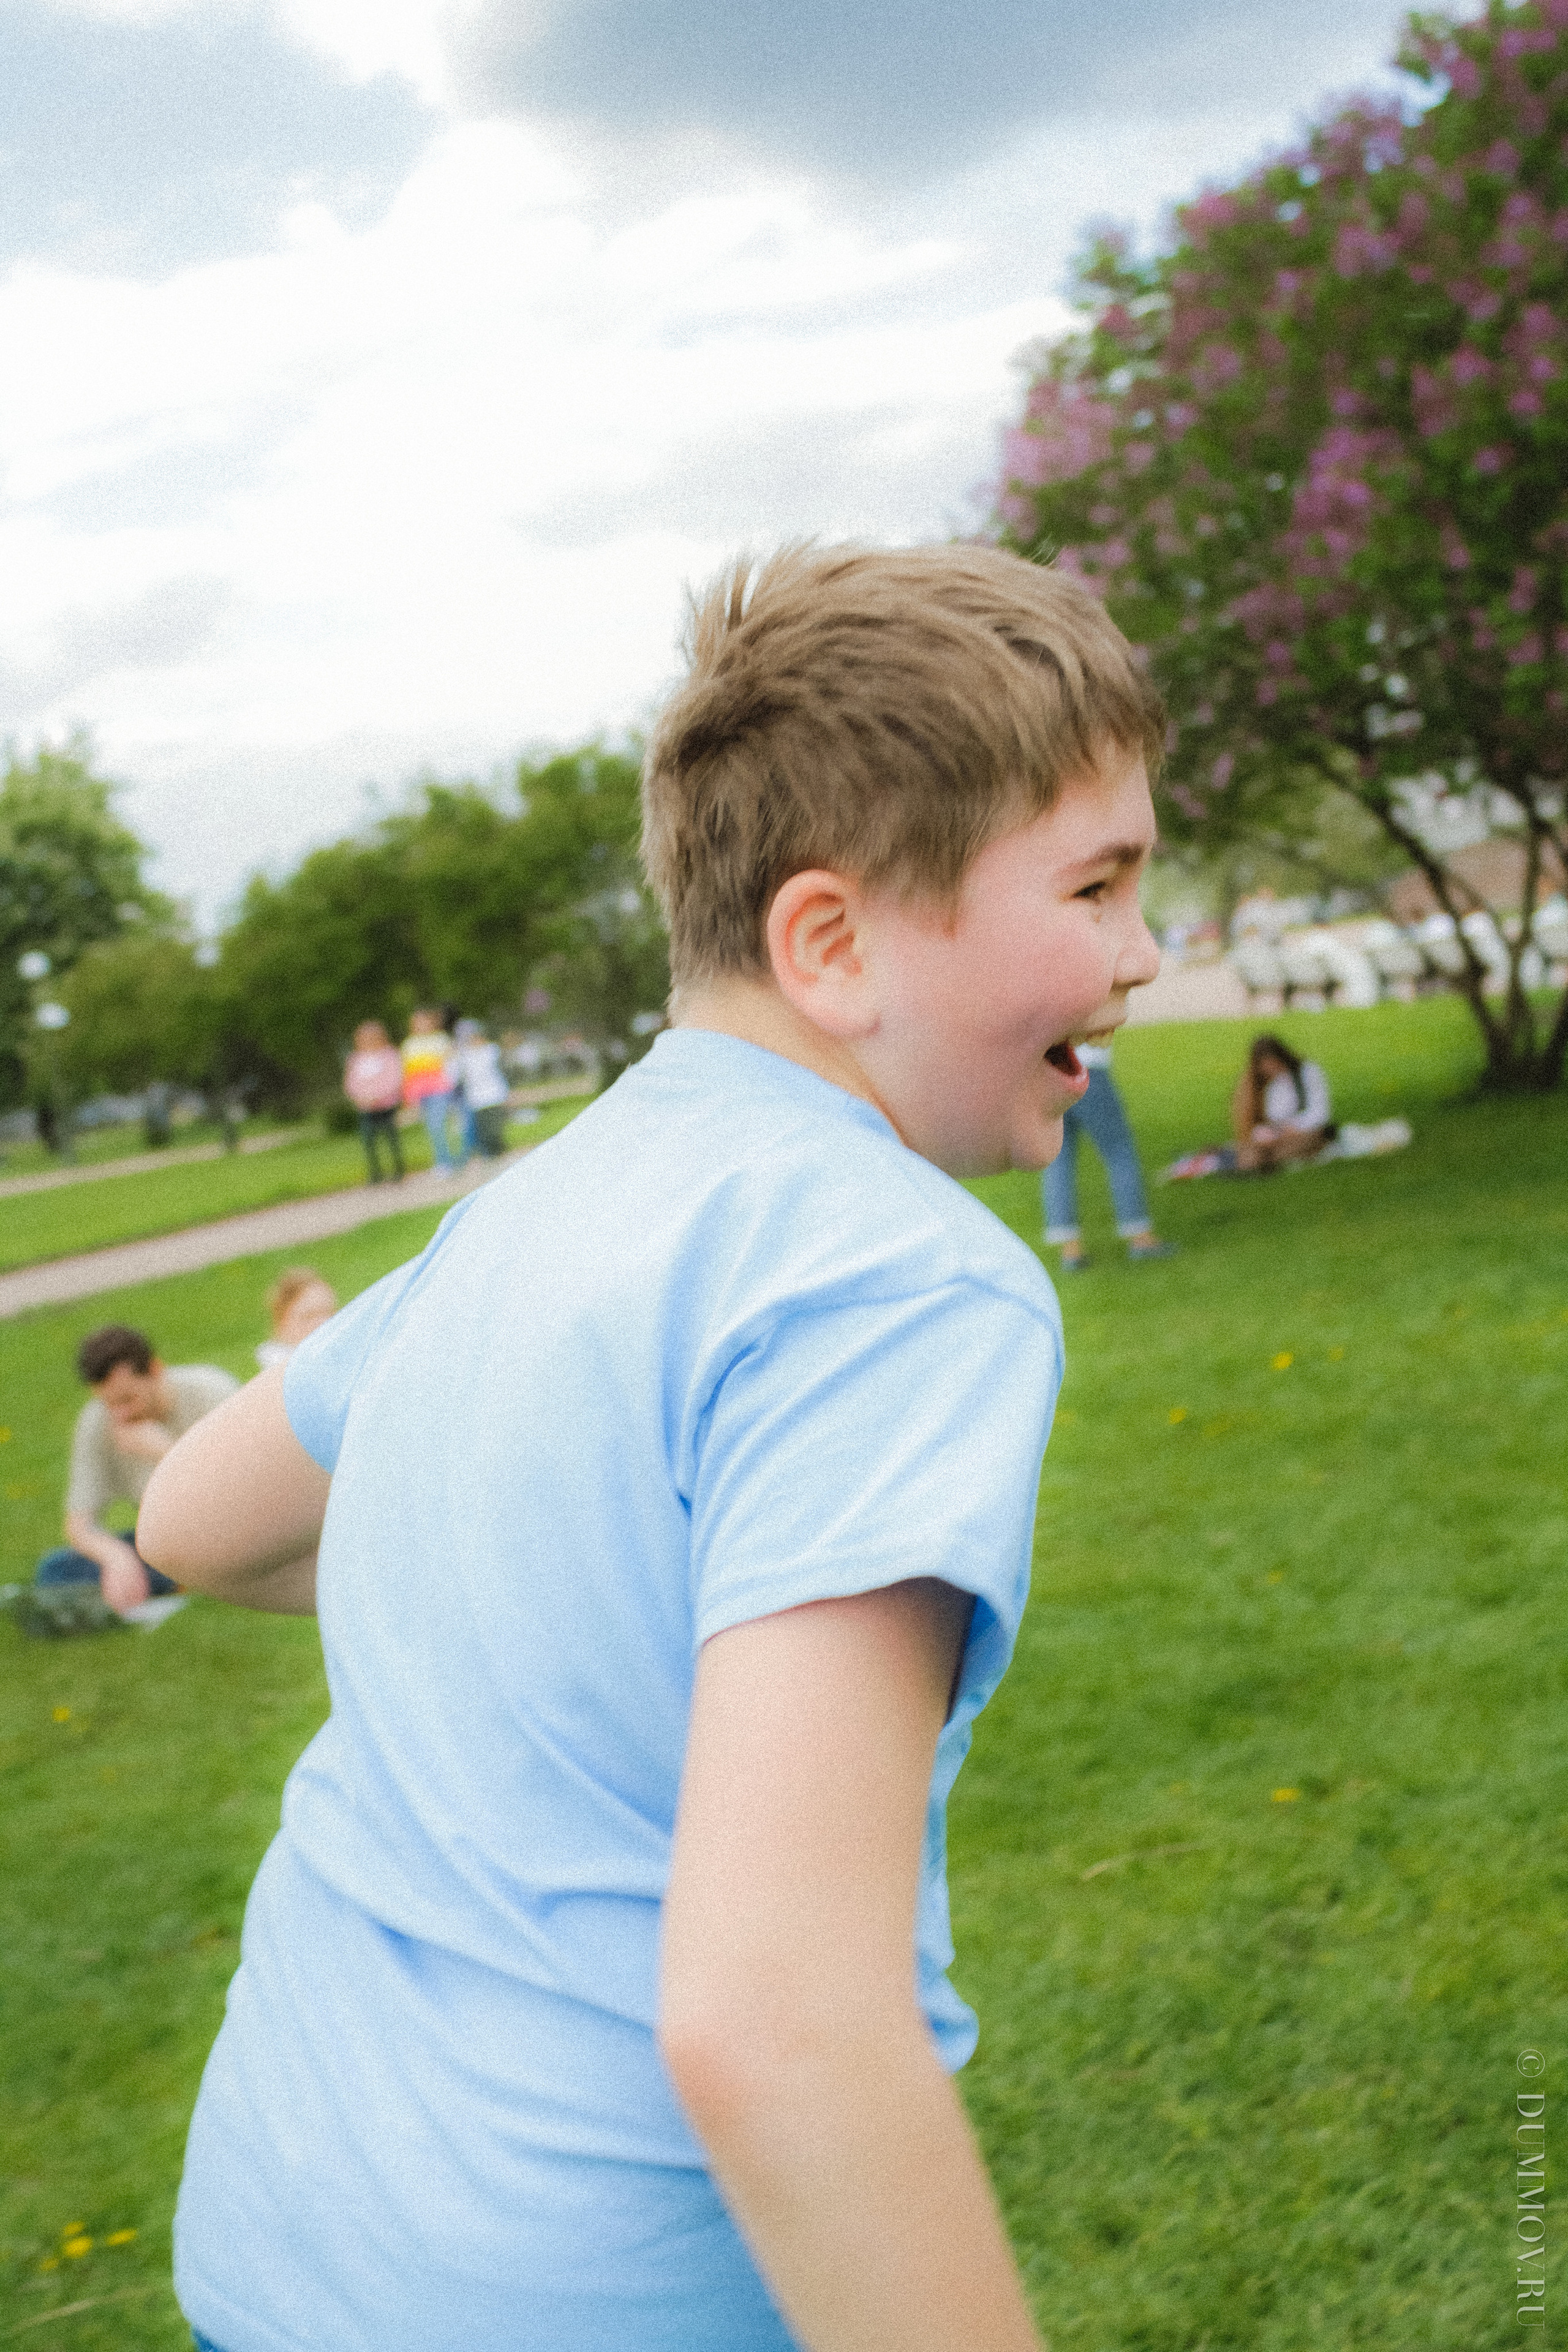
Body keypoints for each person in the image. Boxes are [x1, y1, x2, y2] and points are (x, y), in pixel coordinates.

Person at [140, 543, 1165, 2352]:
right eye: (1095, 882)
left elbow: (194, 1517)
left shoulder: (537, 1212)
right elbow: (778, 2015)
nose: (1142, 954)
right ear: (830, 941)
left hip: (279, 2241)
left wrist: (530, 1586)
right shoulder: (893, 1278)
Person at [36, 1327, 236, 1618]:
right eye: (109, 1403)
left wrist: (166, 1452)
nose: (120, 1414)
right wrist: (116, 1557)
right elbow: (79, 1524)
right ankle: (183, 1579)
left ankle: (194, 1577)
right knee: (54, 1571)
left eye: (128, 1399)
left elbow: (239, 1495)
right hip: (165, 1541)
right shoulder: (97, 1422)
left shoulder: (212, 1391)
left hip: (231, 1527)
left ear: (155, 1370)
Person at [1040, 1042, 1174, 1270]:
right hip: (1087, 1069)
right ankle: (1140, 1237)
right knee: (1119, 1150)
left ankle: (1071, 1251)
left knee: (1058, 1158)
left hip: (1048, 1074)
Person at [1231, 1033, 1334, 1172]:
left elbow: (1320, 1113)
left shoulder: (1308, 1072)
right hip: (1277, 1136)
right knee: (1254, 1148)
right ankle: (1256, 1162)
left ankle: (1263, 1162)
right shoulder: (1270, 1084)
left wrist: (1295, 1127)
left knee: (1285, 1150)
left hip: (1308, 1132)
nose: (1270, 1070)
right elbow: (1272, 1117)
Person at [401, 1008, 466, 1172]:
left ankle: (449, 1161)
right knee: (433, 1128)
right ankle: (445, 1160)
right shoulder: (409, 1045)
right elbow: (409, 1074)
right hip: (421, 1093)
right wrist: (410, 1096)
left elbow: (452, 1066)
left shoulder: (441, 1040)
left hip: (440, 1090)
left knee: (439, 1125)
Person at [343, 1020, 406, 1184]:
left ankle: (398, 1170)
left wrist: (379, 1096)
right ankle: (375, 1173)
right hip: (365, 1108)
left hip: (386, 1105)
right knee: (369, 1140)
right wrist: (362, 1098)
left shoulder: (389, 1055)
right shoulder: (356, 1059)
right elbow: (351, 1083)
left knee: (391, 1139)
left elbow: (394, 1079)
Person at [451, 1017, 511, 1158]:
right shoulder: (464, 1057)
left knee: (495, 1127)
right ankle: (489, 1153)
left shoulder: (490, 1051)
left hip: (494, 1094)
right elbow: (455, 1076)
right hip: (476, 1098)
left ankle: (499, 1151)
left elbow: (500, 1072)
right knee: (483, 1129)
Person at [255, 1269, 338, 1371]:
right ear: (283, 1321)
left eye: (329, 1312)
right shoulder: (280, 1368)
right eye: (310, 1316)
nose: (323, 1322)